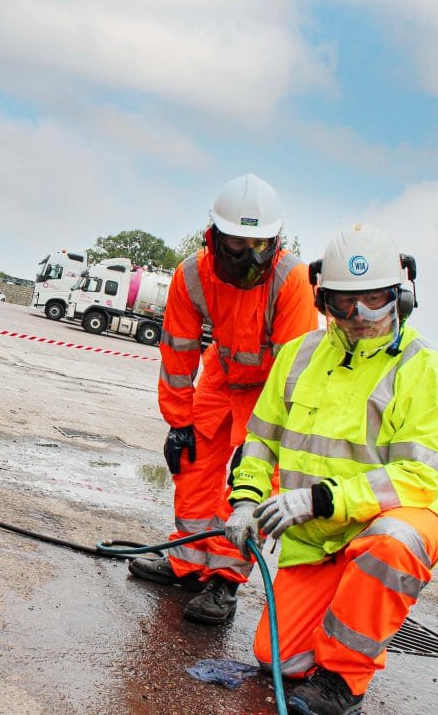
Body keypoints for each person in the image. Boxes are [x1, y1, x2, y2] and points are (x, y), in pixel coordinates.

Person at [219, 223, 438, 714]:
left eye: (374, 300)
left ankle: (343, 681)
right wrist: (246, 500)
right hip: (317, 542)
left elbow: (421, 477)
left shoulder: (428, 372)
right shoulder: (298, 356)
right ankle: (339, 611)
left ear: (401, 297)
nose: (359, 317)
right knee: (278, 659)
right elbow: (260, 441)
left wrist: (319, 499)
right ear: (323, 299)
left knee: (394, 542)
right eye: (344, 303)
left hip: (384, 526)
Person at [128, 173, 318, 625]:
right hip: (222, 377)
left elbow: (294, 372)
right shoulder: (192, 274)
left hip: (270, 390)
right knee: (192, 464)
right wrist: (178, 420)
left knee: (250, 488)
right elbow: (178, 352)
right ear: (214, 236)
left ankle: (225, 579)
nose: (249, 255)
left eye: (259, 244)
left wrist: (261, 446)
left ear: (275, 240)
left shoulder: (293, 280)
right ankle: (188, 562)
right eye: (237, 243)